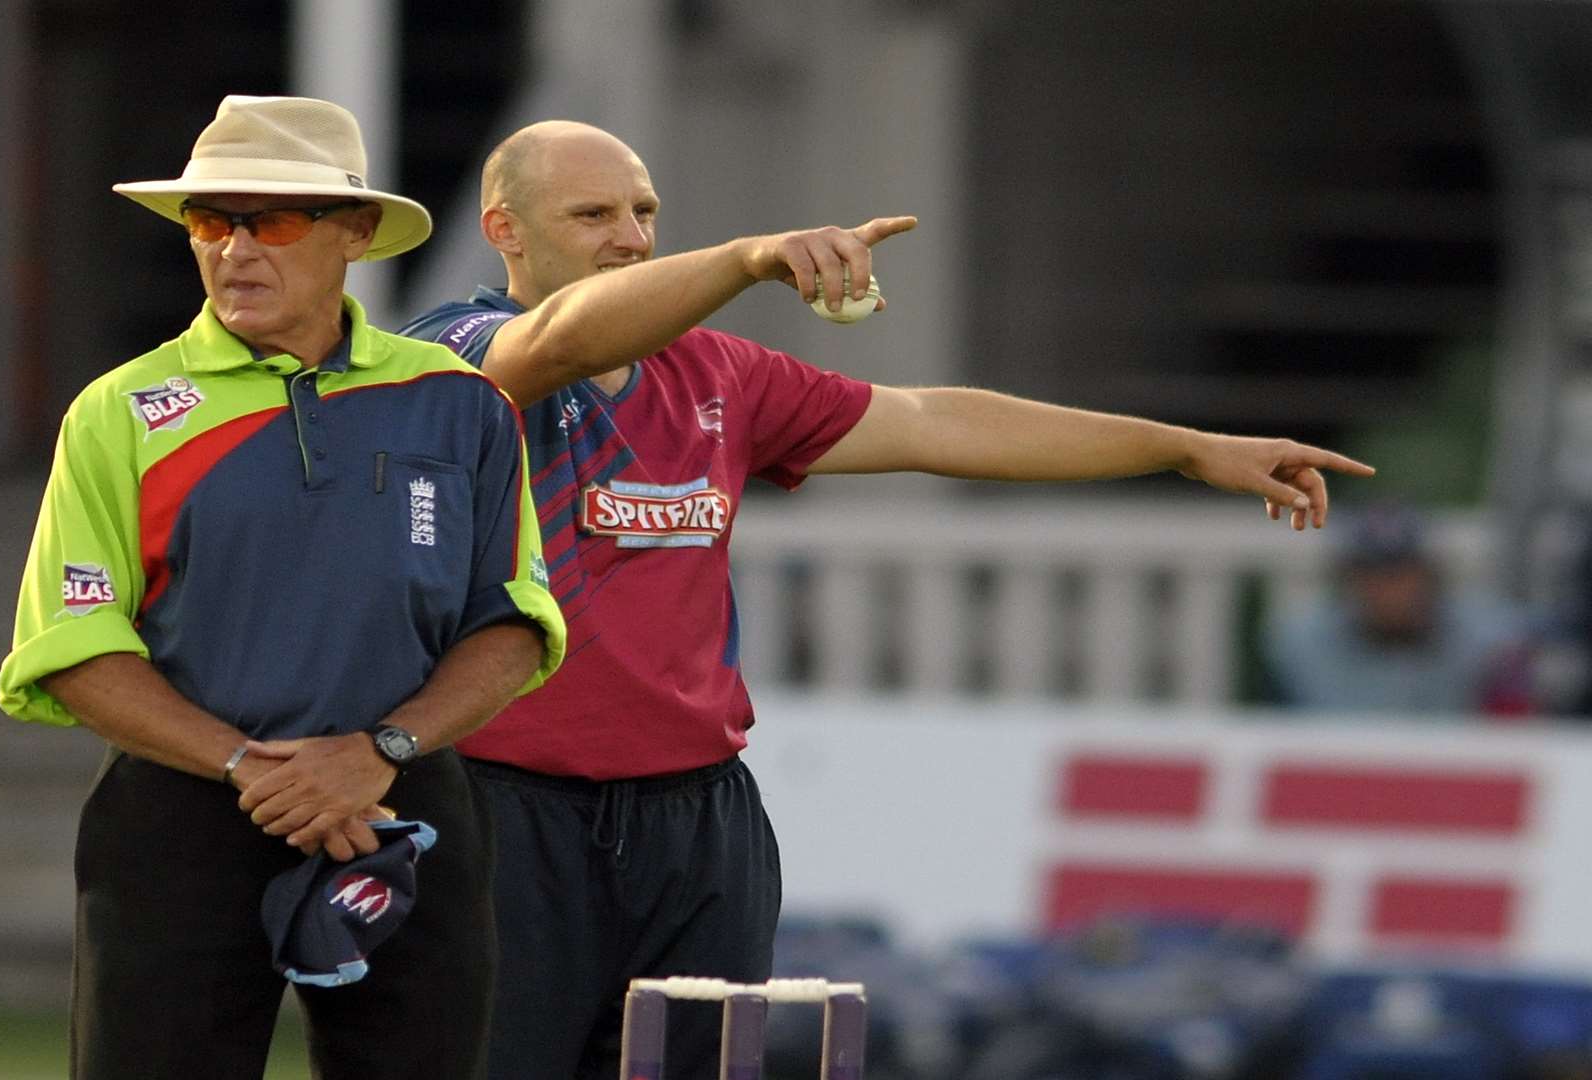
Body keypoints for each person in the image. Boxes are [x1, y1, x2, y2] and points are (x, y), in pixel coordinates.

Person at [391, 119, 1376, 1079]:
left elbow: (929, 421)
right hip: (503, 817)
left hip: (698, 825)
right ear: (505, 229)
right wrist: (748, 258)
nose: (632, 236)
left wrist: (1186, 447)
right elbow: (555, 342)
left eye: (643, 210)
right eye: (593, 213)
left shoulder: (720, 373)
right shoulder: (452, 349)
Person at [0, 96, 565, 1080]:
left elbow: (512, 621)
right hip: (184, 805)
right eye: (213, 223)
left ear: (353, 235)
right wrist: (255, 769)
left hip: (402, 799)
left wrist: (376, 752)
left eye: (276, 221)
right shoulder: (119, 411)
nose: (236, 250)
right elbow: (74, 646)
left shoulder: (459, 403)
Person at [1263, 501, 1535, 717]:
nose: (1388, 591)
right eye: (1373, 575)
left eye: (1401, 574)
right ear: (1349, 581)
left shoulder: (1488, 644)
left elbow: (1515, 744)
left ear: (1430, 576)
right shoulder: (1302, 647)